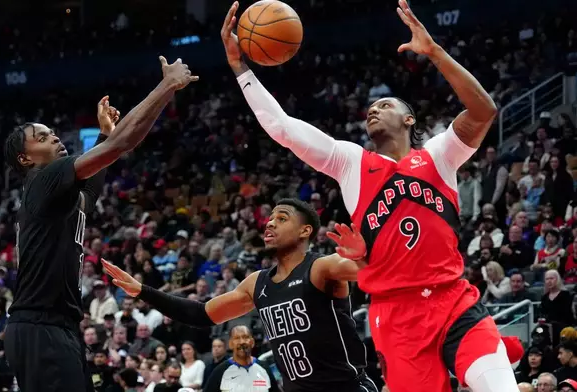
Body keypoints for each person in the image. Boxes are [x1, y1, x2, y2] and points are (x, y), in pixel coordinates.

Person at [219, 1, 520, 391]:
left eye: (385, 105)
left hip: (453, 301)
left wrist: (434, 51)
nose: (372, 110)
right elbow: (281, 126)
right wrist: (240, 68)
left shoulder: (440, 154)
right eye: (370, 108)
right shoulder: (350, 163)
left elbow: (483, 111)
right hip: (396, 317)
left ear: (409, 119)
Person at [3, 57, 198, 392]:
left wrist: (105, 134)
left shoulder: (63, 194)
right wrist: (166, 87)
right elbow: (122, 144)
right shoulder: (44, 177)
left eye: (53, 133)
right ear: (25, 158)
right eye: (43, 136)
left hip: (58, 327)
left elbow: (97, 179)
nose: (54, 138)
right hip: (40, 327)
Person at [103, 198, 376, 392]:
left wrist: (363, 258)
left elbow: (371, 272)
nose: (270, 224)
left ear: (306, 231)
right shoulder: (256, 283)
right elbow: (200, 314)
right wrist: (142, 291)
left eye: (281, 219)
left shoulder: (321, 267)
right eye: (269, 219)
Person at [203, 325, 279, 392]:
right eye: (237, 338)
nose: (242, 342)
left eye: (245, 337)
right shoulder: (220, 371)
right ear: (230, 344)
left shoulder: (264, 368)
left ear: (252, 342)